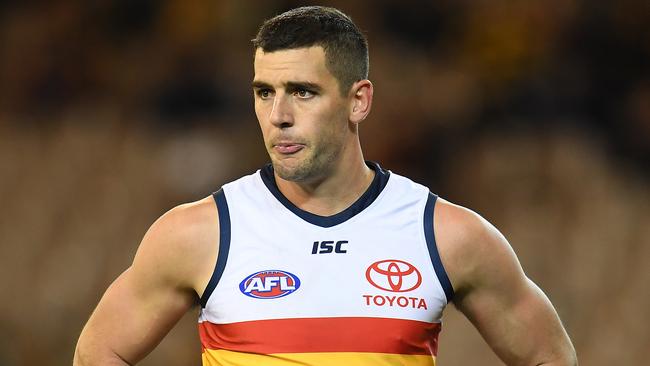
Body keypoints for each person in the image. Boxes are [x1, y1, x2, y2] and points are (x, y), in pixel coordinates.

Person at [74, 6, 577, 366]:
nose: (278, 116)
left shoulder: (447, 235)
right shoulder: (198, 233)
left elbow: (550, 357)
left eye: (303, 92)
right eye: (264, 92)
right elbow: (99, 351)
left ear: (359, 101)